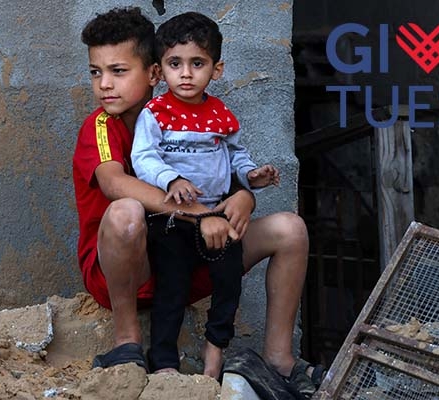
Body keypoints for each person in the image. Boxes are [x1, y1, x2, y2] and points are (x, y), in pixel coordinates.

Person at [73, 6, 322, 396]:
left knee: (291, 229)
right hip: (126, 270)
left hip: (187, 259)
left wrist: (244, 197)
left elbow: (221, 173)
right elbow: (114, 184)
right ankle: (126, 343)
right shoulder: (101, 125)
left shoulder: (194, 118)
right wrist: (202, 213)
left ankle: (279, 360)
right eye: (95, 72)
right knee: (126, 212)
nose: (105, 84)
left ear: (154, 73)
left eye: (118, 71)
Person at [130, 11, 280, 378]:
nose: (185, 73)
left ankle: (215, 353)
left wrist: (251, 176)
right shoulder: (156, 113)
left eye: (197, 63)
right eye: (174, 64)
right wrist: (171, 180)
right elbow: (142, 157)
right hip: (171, 222)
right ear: (158, 71)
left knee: (229, 282)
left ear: (216, 69)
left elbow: (234, 155)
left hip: (218, 217)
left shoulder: (221, 114)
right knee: (172, 290)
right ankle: (164, 364)